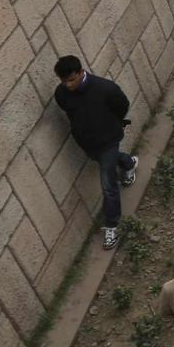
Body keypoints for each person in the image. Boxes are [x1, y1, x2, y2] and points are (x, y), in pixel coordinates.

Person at [52, 55, 137, 249]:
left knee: (108, 184)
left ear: (81, 72)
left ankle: (111, 227)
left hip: (108, 140)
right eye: (64, 81)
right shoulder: (61, 94)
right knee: (105, 162)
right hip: (88, 144)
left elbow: (121, 106)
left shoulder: (105, 88)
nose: (68, 85)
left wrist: (111, 126)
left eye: (71, 80)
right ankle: (128, 162)